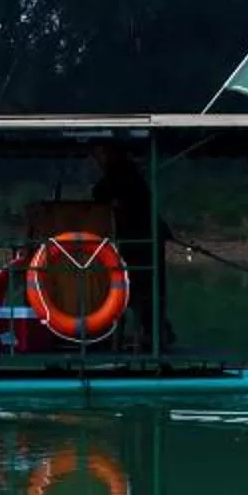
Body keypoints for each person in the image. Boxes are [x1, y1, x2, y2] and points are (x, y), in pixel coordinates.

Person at [88, 145, 179, 350]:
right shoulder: (128, 174)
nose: (98, 161)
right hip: (135, 239)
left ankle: (152, 334)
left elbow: (101, 192)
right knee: (140, 289)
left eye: (100, 155)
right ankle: (150, 332)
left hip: (141, 240)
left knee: (141, 289)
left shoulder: (123, 174)